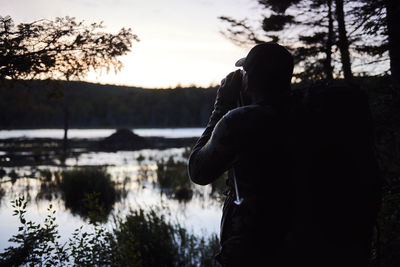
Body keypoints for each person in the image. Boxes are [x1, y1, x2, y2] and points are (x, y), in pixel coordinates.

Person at [188, 42, 295, 266]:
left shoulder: (241, 122)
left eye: (244, 72)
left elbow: (198, 171)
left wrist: (222, 106)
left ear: (251, 79)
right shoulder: (303, 115)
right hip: (298, 245)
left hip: (252, 249)